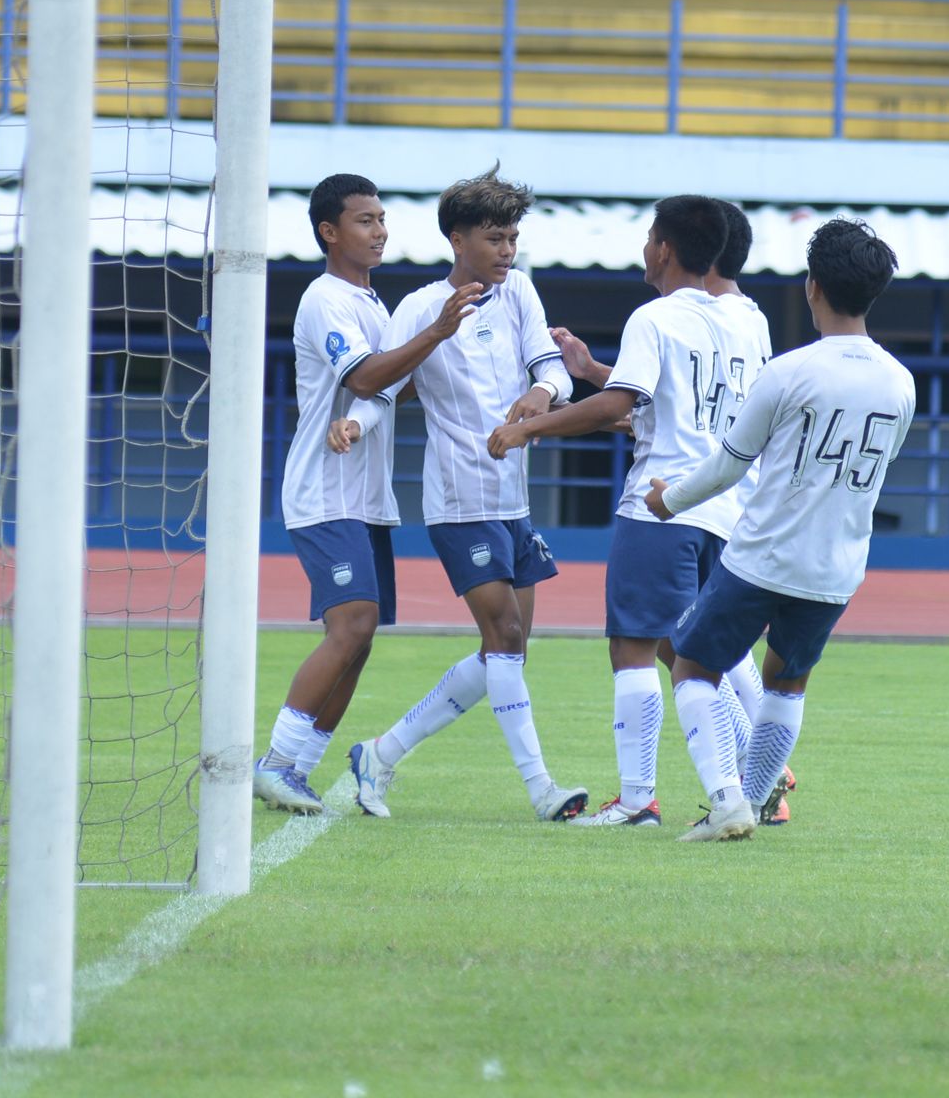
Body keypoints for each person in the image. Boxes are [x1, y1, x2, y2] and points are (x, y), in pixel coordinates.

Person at [486, 195, 772, 828]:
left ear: (664, 249)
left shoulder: (656, 316)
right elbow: (668, 405)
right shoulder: (746, 322)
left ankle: (641, 799)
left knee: (635, 649)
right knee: (701, 656)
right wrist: (591, 372)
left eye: (649, 238)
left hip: (660, 508)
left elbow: (622, 408)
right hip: (727, 514)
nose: (646, 249)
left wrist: (531, 429)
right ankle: (759, 775)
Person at [643, 217, 916, 842]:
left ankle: (727, 800)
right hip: (837, 566)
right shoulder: (900, 382)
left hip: (764, 555)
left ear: (812, 286)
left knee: (691, 668)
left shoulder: (790, 371)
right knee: (785, 684)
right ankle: (758, 797)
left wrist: (669, 500)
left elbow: (727, 465)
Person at [332, 166, 588, 822]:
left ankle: (380, 753)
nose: (508, 250)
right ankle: (541, 790)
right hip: (457, 503)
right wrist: (356, 423)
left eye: (513, 237)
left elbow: (551, 368)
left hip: (514, 503)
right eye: (496, 238)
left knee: (508, 649)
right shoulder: (421, 309)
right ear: (457, 240)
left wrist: (542, 395)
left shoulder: (520, 292)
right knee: (503, 635)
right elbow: (384, 388)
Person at [252, 174, 483, 816]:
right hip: (325, 490)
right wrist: (432, 335)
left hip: (368, 496)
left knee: (363, 633)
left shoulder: (375, 306)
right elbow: (362, 374)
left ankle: (295, 768)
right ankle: (275, 761)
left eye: (382, 219)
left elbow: (385, 389)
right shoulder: (325, 299)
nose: (379, 231)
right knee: (349, 625)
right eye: (364, 221)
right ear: (330, 232)